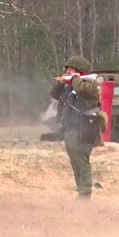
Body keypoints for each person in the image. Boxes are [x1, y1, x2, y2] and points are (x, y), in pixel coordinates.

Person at [50, 55, 101, 199]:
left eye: (71, 69)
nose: (68, 72)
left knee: (81, 160)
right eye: (67, 69)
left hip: (85, 130)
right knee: (75, 160)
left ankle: (85, 193)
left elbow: (83, 90)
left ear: (79, 71)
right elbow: (53, 93)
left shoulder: (90, 85)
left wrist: (75, 79)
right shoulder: (68, 85)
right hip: (70, 129)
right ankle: (80, 190)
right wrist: (63, 81)